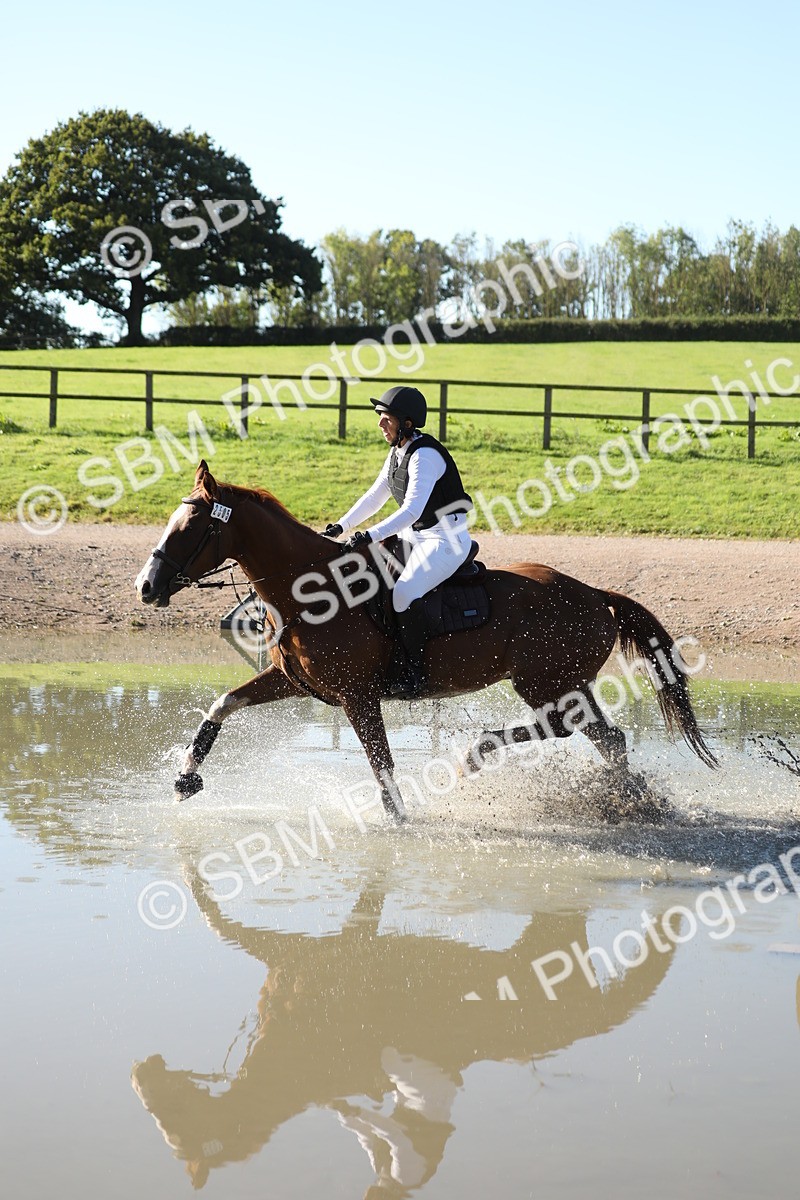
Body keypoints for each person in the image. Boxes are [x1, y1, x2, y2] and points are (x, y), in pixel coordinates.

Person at [323, 385, 473, 699]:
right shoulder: (398, 451)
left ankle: (416, 673)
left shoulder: (425, 456)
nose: (380, 424)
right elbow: (374, 497)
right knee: (367, 577)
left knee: (404, 592)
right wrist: (341, 526)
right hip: (414, 536)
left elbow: (411, 511)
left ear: (406, 423)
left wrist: (368, 535)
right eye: (380, 417)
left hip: (444, 540)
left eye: (386, 418)